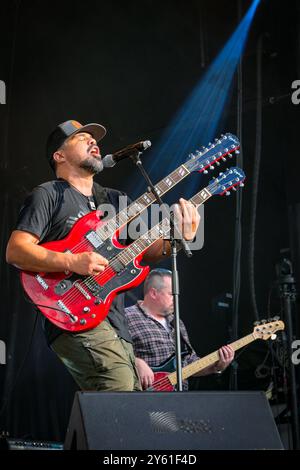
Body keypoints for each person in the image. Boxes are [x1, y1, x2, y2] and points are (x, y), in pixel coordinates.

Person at [6, 119, 201, 392]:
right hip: (70, 312)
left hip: (114, 321)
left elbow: (146, 253)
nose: (93, 141)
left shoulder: (115, 199)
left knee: (130, 399)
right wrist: (72, 261)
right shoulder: (48, 194)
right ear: (59, 156)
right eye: (80, 138)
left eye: (94, 138)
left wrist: (180, 238)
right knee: (119, 390)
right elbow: (16, 250)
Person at [125, 268, 234, 390]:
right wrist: (136, 362)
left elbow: (190, 363)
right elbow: (111, 355)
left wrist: (217, 366)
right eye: (171, 294)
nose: (176, 299)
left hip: (179, 397)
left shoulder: (176, 322)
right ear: (153, 293)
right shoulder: (126, 317)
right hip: (144, 397)